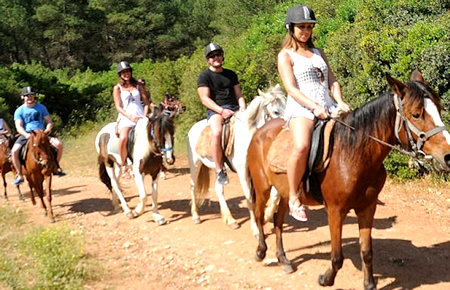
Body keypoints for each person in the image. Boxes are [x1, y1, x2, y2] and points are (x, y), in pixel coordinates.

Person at [278, 5, 350, 222]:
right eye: (301, 26)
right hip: (302, 108)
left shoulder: (320, 53)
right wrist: (314, 107)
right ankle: (293, 197)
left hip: (328, 106)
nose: (306, 31)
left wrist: (339, 101)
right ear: (291, 28)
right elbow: (291, 88)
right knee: (301, 146)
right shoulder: (286, 55)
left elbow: (332, 81)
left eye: (309, 27)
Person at [197, 43, 246, 185]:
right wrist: (221, 111)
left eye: (218, 54)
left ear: (222, 56)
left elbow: (239, 94)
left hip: (234, 108)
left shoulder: (231, 74)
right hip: (216, 110)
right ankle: (219, 170)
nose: (216, 58)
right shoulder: (204, 76)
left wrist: (242, 107)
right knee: (217, 132)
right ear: (208, 59)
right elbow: (204, 98)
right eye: (212, 56)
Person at [11, 86, 66, 185]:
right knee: (14, 151)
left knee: (59, 144)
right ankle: (19, 174)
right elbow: (18, 126)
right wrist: (26, 135)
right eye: (27, 96)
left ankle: (55, 167)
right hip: (27, 134)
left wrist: (48, 129)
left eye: (31, 95)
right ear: (23, 97)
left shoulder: (41, 107)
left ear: (34, 96)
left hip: (41, 134)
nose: (29, 97)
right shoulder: (19, 111)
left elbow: (49, 121)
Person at [113, 61, 150, 176]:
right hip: (126, 117)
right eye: (123, 72)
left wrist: (144, 115)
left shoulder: (138, 85)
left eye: (128, 71)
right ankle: (123, 163)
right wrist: (129, 116)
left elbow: (146, 102)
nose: (126, 74)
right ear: (120, 74)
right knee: (124, 137)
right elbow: (118, 107)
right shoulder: (117, 88)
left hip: (140, 115)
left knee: (155, 133)